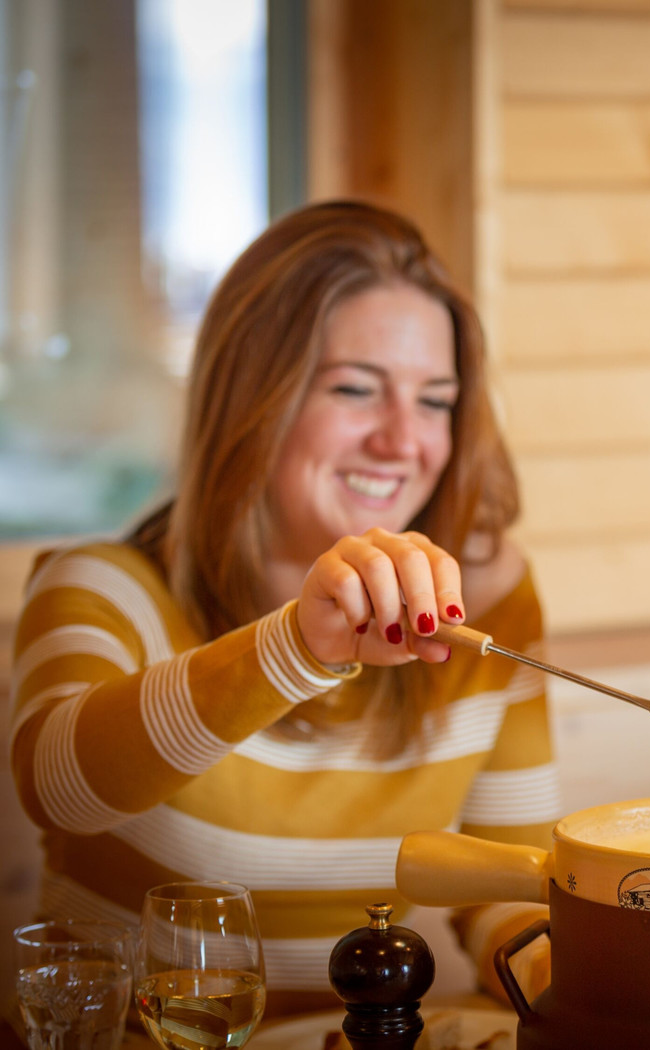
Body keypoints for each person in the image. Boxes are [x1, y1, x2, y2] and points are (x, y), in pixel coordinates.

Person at [8, 201, 557, 1018]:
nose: (405, 441)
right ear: (251, 400)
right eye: (356, 389)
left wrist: (582, 992)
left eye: (436, 401)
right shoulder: (105, 589)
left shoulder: (487, 605)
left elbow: (509, 882)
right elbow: (58, 789)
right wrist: (299, 647)